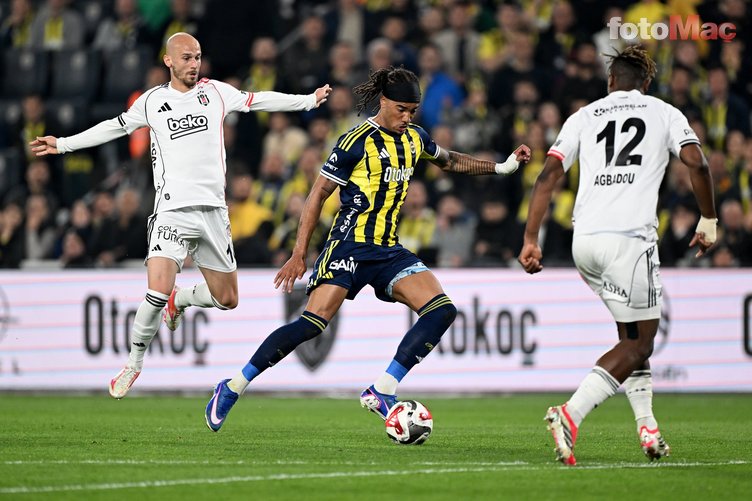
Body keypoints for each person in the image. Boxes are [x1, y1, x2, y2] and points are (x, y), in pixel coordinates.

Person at [204, 66, 531, 432]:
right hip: (349, 246)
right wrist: (299, 253)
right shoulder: (355, 141)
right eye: (401, 109)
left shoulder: (416, 138)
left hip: (388, 251)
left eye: (413, 111)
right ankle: (232, 387)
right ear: (384, 101)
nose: (407, 118)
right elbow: (317, 195)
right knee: (311, 324)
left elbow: (451, 160)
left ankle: (383, 388)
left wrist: (503, 167)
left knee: (442, 310)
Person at [30, 32, 332, 399]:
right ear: (168, 61)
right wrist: (63, 144)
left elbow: (258, 100)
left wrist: (307, 100)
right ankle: (133, 363)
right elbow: (113, 126)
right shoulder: (152, 101)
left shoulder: (215, 92)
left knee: (227, 299)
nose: (194, 64)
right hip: (171, 211)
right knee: (156, 290)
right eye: (186, 57)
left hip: (213, 212)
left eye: (198, 57)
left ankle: (183, 299)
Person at [518, 46, 717, 466]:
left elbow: (547, 176)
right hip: (629, 241)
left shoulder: (583, 116)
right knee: (642, 342)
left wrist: (531, 238)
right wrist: (709, 218)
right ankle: (569, 415)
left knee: (632, 337)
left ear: (610, 81)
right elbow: (697, 163)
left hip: (585, 242)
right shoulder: (664, 112)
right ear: (646, 83)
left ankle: (648, 427)